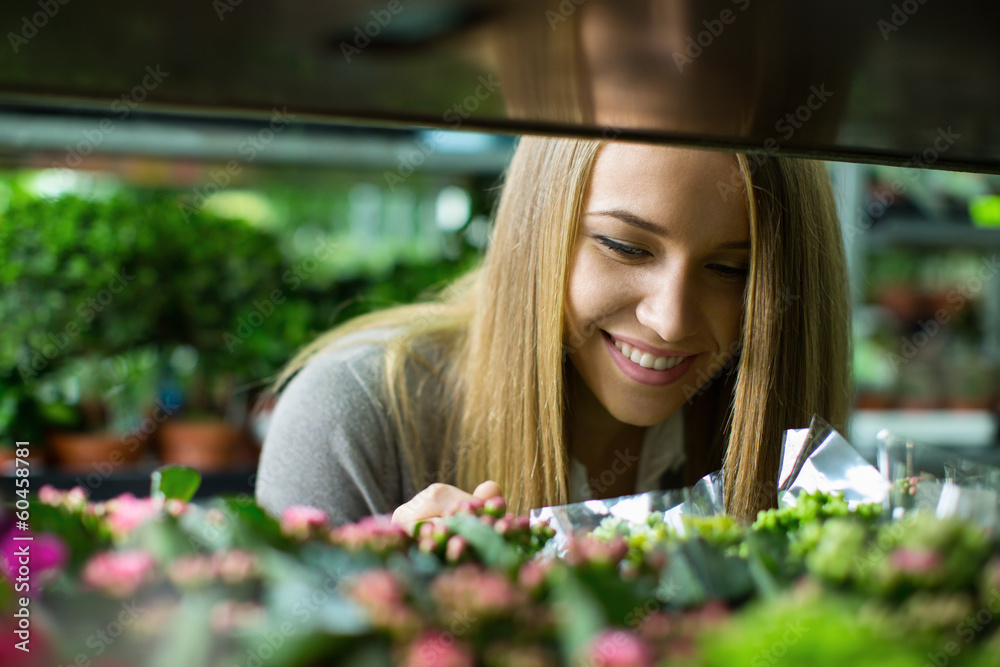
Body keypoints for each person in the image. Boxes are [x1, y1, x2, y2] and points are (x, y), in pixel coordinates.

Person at [254, 136, 851, 529]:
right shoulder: (355, 414)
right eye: (624, 247)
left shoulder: (780, 437)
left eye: (731, 269)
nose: (670, 320)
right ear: (538, 225)